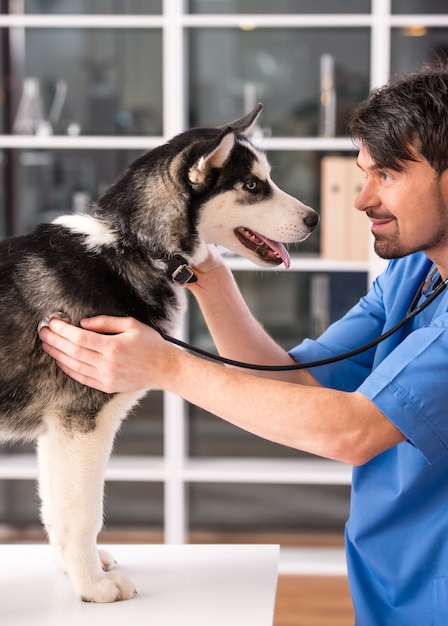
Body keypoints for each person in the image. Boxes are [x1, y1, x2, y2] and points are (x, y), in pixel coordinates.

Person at [39, 66, 448, 625]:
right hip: (385, 591)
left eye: (388, 175)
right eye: (364, 173)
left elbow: (353, 430)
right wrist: (207, 274)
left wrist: (167, 366)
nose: (361, 199)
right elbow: (294, 381)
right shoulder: (414, 276)